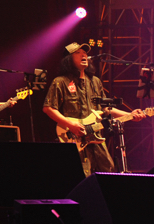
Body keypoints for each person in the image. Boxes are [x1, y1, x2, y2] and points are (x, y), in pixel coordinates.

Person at [43, 42, 146, 176]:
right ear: (68, 59)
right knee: (79, 174)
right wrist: (70, 125)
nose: (84, 55)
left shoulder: (95, 81)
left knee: (108, 171)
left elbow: (105, 109)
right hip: (73, 137)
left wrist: (130, 114)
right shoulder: (60, 81)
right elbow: (48, 108)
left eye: (85, 53)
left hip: (95, 136)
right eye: (78, 53)